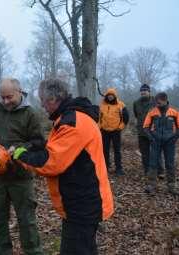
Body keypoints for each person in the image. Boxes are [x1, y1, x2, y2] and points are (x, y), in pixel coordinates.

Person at [12, 79, 114, 255]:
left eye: (43, 100)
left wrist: (21, 156)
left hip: (83, 205)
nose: (42, 106)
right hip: (81, 200)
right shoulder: (70, 117)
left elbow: (52, 162)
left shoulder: (72, 122)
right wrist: (35, 147)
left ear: (52, 99)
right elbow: (60, 148)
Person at [0, 78, 44, 255]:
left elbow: (38, 142)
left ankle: (33, 251)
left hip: (21, 177)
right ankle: (1, 250)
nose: (5, 101)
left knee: (27, 220)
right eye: (2, 97)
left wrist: (21, 148)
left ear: (19, 92)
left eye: (9, 97)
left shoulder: (30, 113)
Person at [143, 92, 179, 195]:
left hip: (169, 143)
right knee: (153, 163)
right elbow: (145, 127)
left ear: (165, 100)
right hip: (155, 141)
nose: (157, 104)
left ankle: (172, 186)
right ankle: (151, 186)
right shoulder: (152, 112)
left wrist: (174, 139)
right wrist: (151, 138)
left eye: (159, 102)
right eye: (156, 102)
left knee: (170, 164)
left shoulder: (175, 112)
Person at [133, 84, 165, 176]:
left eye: (145, 91)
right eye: (141, 91)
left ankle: (160, 171)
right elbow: (136, 115)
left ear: (149, 92)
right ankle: (147, 171)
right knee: (144, 153)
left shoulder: (156, 101)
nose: (143, 92)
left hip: (154, 131)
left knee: (157, 151)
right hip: (142, 132)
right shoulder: (136, 103)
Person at [99, 88, 129, 176]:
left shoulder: (121, 105)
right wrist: (99, 127)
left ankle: (119, 168)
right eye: (108, 95)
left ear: (114, 96)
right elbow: (98, 117)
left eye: (111, 95)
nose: (110, 97)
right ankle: (105, 167)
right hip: (104, 131)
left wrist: (120, 127)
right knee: (105, 150)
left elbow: (126, 118)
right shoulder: (102, 105)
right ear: (107, 96)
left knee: (117, 150)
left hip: (116, 131)